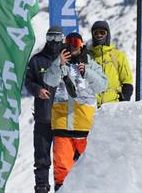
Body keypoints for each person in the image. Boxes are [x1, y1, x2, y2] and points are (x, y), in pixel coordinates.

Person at [44, 32, 107, 190]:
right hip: (62, 125)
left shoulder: (90, 63)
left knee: (92, 168)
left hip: (84, 125)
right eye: (69, 43)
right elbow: (48, 81)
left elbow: (102, 86)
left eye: (76, 43)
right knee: (62, 170)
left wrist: (87, 72)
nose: (73, 47)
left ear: (82, 45)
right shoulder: (59, 62)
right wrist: (58, 64)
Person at [24, 26, 64, 193]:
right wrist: (37, 90)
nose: (54, 42)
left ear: (62, 39)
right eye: (50, 38)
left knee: (62, 157)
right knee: (41, 156)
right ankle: (41, 187)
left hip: (63, 118)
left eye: (57, 38)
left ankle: (62, 187)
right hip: (43, 116)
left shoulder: (67, 58)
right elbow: (28, 82)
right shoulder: (36, 60)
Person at [88, 20, 133, 107]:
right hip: (92, 105)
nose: (99, 35)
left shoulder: (119, 56)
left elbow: (127, 83)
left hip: (113, 105)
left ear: (107, 34)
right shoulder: (88, 56)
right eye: (96, 33)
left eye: (102, 32)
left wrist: (122, 104)